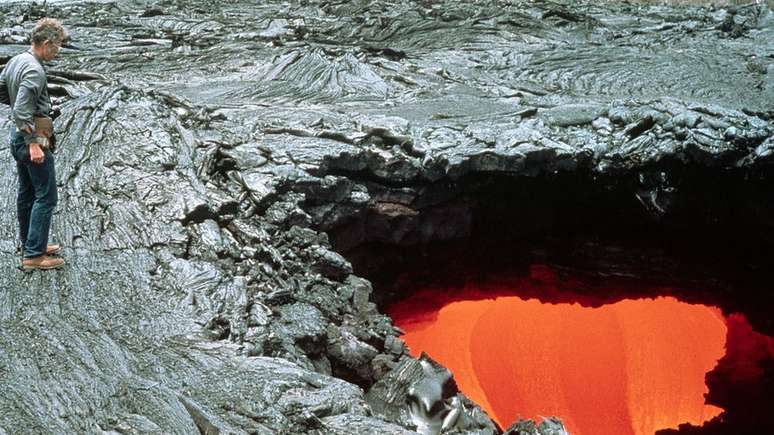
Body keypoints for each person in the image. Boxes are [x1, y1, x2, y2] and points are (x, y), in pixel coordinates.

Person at [0, 18, 67, 270]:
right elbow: (19, 109)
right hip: (31, 138)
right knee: (47, 196)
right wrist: (33, 143)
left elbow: (2, 90)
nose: (58, 51)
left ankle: (30, 242)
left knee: (27, 192)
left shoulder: (17, 60)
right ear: (47, 43)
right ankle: (34, 255)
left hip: (18, 137)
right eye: (57, 46)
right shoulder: (34, 71)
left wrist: (21, 109)